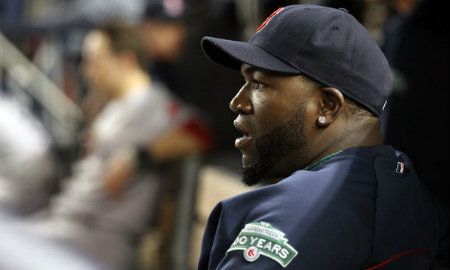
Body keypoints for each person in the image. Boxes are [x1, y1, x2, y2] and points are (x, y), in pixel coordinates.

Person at [198, 4, 446, 269]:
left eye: (259, 84)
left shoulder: (290, 215)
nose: (238, 102)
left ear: (327, 106)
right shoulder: (415, 198)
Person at [25, 22, 212, 270]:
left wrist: (139, 156)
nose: (88, 71)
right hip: (67, 228)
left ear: (126, 60)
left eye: (96, 61)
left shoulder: (151, 102)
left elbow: (202, 132)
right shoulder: (114, 104)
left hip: (98, 238)